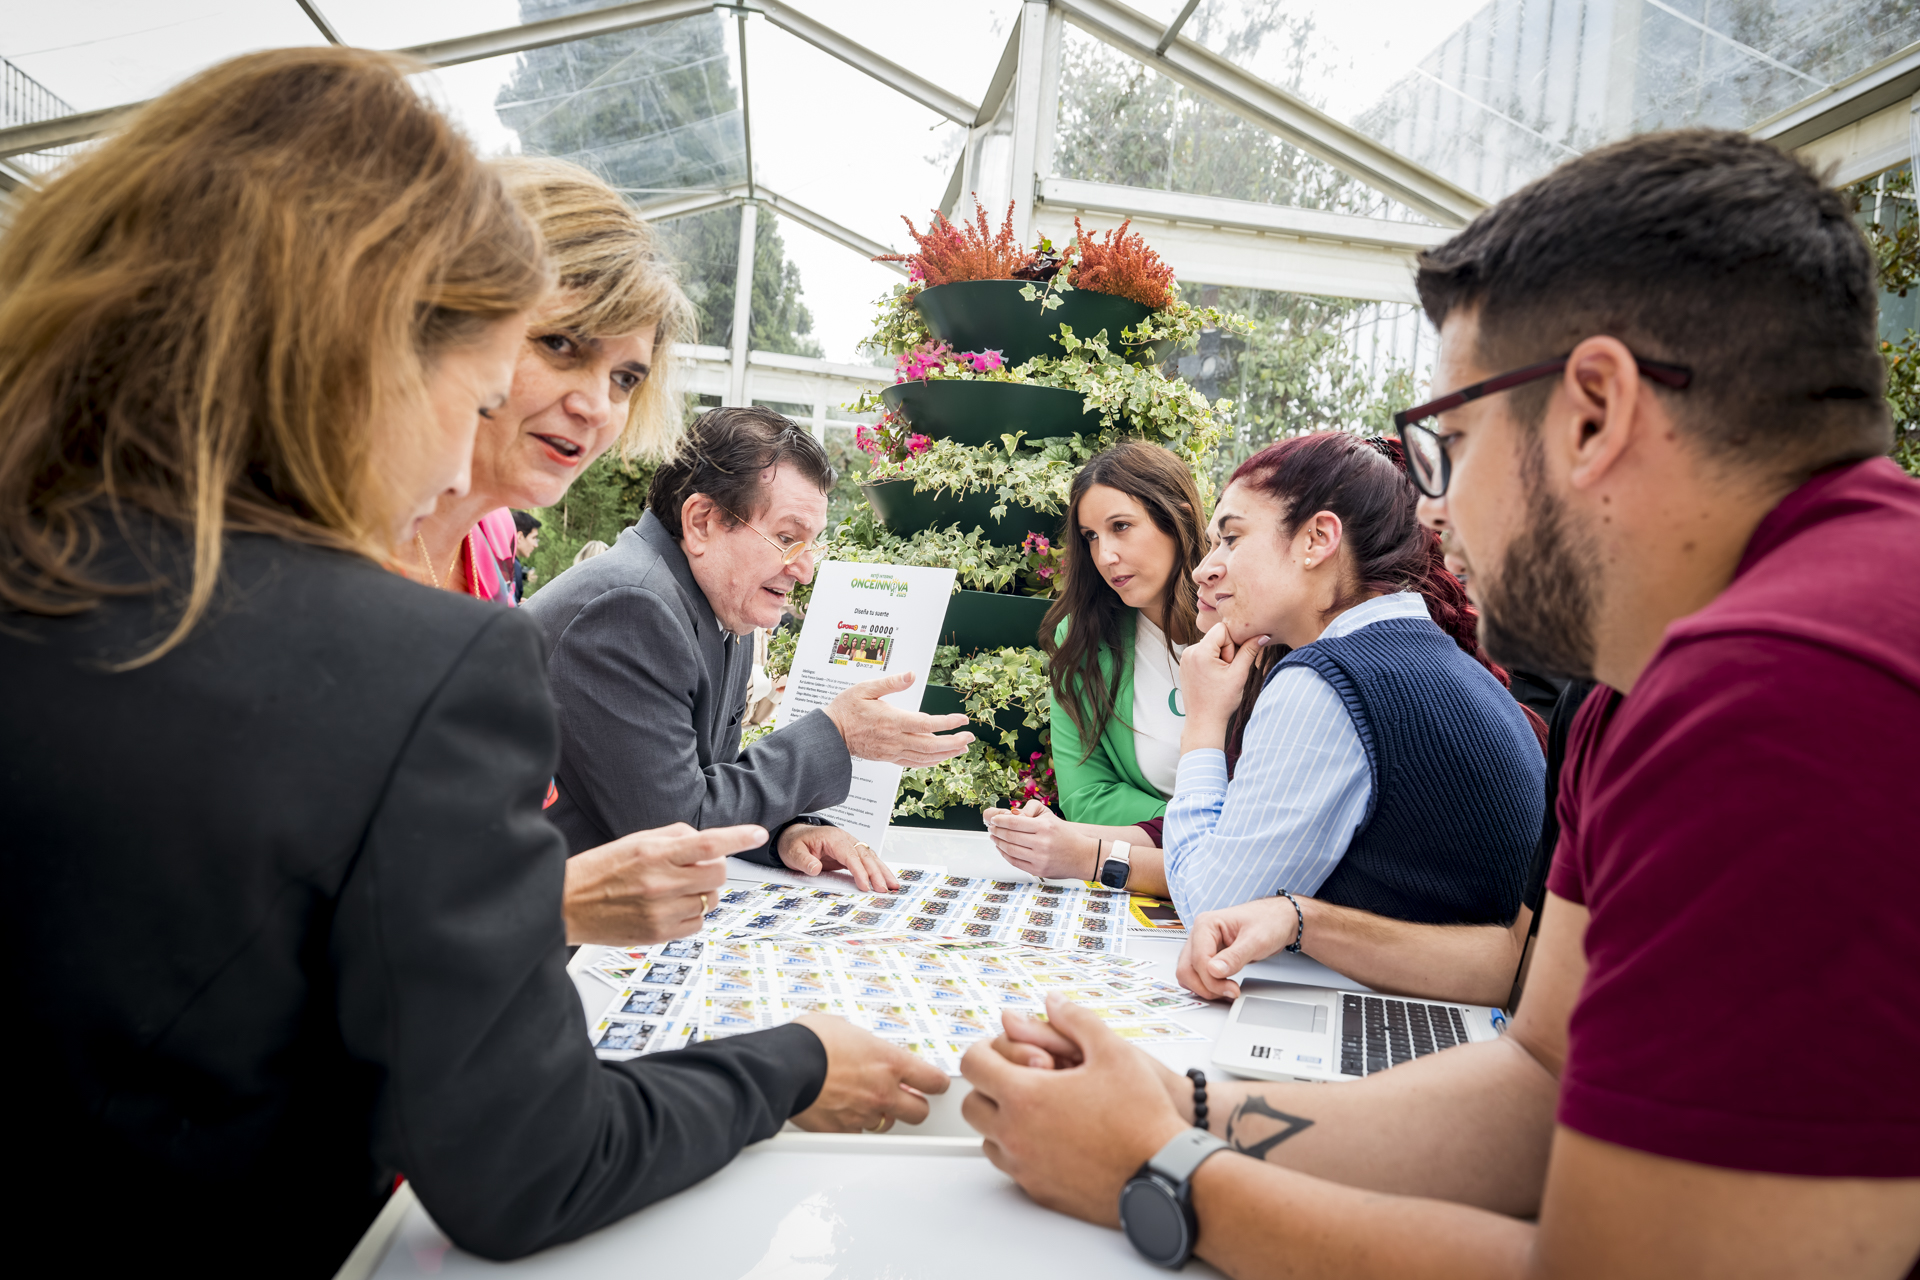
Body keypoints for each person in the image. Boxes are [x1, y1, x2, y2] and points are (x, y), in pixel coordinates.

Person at [0, 50, 945, 1279]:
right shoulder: (421, 653)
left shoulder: (71, 566)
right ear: (364, 342)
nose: (490, 434)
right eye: (502, 366)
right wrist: (795, 1060)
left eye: (624, 377)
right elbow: (526, 1162)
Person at [959, 129, 1920, 1276]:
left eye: (1451, 445)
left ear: (1594, 410)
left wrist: (1159, 1171)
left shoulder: (1788, 690)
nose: (1437, 514)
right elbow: (1537, 1078)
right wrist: (1183, 1103)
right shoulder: (1636, 685)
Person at [523, 406, 975, 891]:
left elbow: (701, 783)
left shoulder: (711, 602)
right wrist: (838, 733)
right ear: (702, 522)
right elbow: (676, 830)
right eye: (786, 538)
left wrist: (785, 835)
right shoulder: (630, 607)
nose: (805, 570)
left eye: (811, 544)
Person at [1163, 431, 1545, 928]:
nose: (1203, 570)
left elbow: (1211, 910)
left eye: (1231, 539)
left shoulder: (1325, 686)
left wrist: (1202, 725)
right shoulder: (1457, 671)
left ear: (1318, 539)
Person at [1180, 677, 1595, 1010]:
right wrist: (1297, 917)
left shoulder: (1325, 686)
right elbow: (1516, 966)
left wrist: (1203, 721)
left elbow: (1208, 900)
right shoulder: (1588, 706)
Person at [406, 155, 687, 603]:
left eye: (625, 379)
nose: (596, 408)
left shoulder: (494, 536)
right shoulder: (312, 527)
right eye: (560, 344)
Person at [983, 440, 1209, 896]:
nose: (1105, 556)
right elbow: (1086, 796)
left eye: (1121, 527)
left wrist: (1102, 844)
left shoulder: (1254, 633)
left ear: (1179, 518)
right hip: (1151, 886)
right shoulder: (1082, 641)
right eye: (1091, 536)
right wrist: (1189, 829)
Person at [511, 508, 541, 598]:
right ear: (520, 537)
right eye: (533, 538)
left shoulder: (505, 562)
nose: (536, 545)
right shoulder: (514, 566)